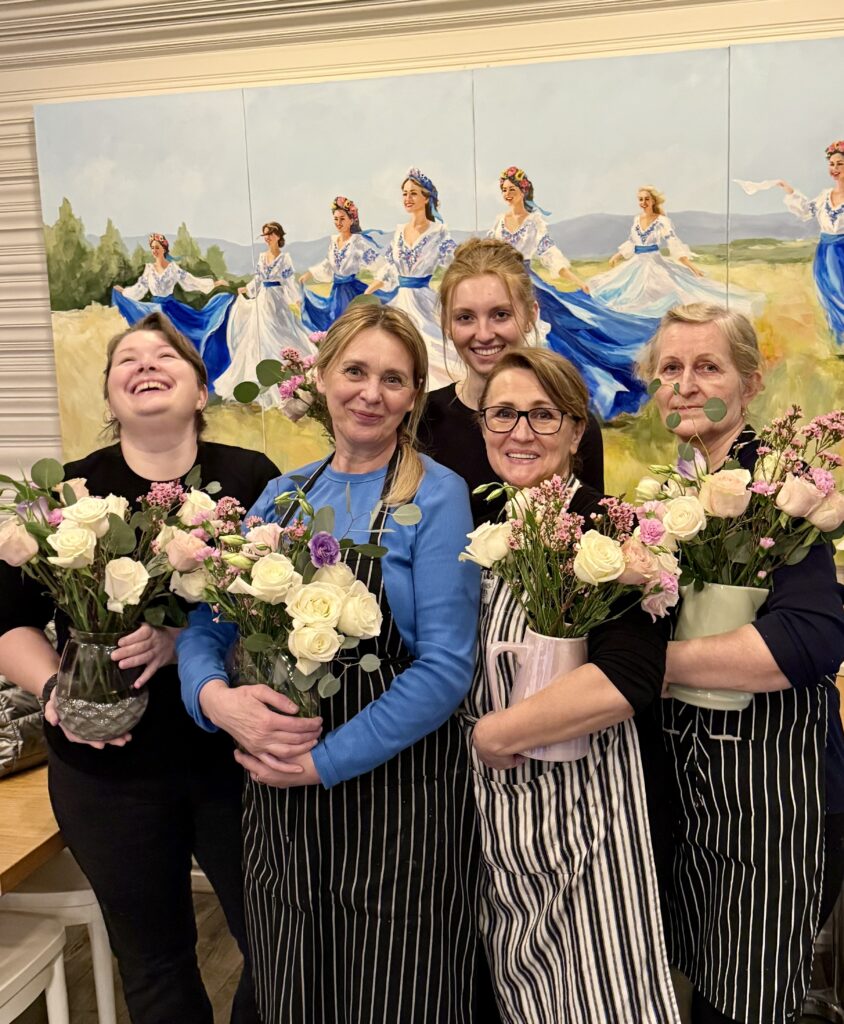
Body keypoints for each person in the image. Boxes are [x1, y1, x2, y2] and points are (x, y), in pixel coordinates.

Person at [177, 303, 482, 1023]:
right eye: (355, 371)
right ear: (321, 376)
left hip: (400, 808)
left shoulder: (435, 495)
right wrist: (215, 699)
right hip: (282, 812)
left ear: (413, 395)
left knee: (397, 996)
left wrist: (323, 762)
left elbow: (445, 668)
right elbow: (207, 624)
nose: (371, 393)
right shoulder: (283, 497)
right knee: (294, 991)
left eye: (394, 379)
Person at [0, 311, 280, 1024]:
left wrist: (184, 638)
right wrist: (56, 689)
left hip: (235, 763)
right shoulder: (69, 494)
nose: (146, 364)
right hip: (106, 770)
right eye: (128, 358)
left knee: (277, 950)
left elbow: (277, 612)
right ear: (109, 394)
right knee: (153, 964)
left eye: (165, 355)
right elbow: (8, 621)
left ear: (201, 391)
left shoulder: (251, 479)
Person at [637, 302, 844, 1024]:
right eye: (670, 369)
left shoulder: (781, 491)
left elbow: (807, 641)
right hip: (705, 806)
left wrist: (648, 667)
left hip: (777, 810)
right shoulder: (671, 495)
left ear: (750, 384)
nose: (686, 385)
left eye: (708, 367)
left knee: (744, 1007)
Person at [466, 347, 680, 1024]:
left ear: (576, 429)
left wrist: (496, 733)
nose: (520, 432)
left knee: (594, 998)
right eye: (503, 414)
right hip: (500, 818)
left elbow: (628, 677)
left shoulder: (608, 530)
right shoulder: (487, 529)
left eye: (543, 415)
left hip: (588, 817)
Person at [421, 237, 604, 526]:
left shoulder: (570, 424)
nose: (483, 334)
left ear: (531, 315)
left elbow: (590, 529)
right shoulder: (422, 420)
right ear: (446, 323)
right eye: (465, 317)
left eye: (501, 315)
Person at [488, 166, 659, 419]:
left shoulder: (534, 221)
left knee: (559, 332)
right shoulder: (499, 221)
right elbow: (490, 251)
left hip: (526, 283)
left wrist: (576, 279)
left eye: (511, 189)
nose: (507, 194)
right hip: (500, 282)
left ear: (523, 191)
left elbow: (549, 254)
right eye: (504, 190)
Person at [589, 186, 763, 319]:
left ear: (653, 201)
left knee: (661, 291)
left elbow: (673, 244)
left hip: (654, 263)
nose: (643, 203)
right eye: (640, 199)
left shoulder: (662, 221)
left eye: (647, 199)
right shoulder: (637, 219)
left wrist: (692, 267)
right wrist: (618, 255)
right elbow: (633, 241)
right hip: (637, 262)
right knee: (619, 289)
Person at [364, 168, 456, 389]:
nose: (407, 198)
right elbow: (390, 268)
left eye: (413, 193)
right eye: (405, 193)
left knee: (429, 348)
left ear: (426, 198)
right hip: (400, 300)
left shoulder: (438, 232)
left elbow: (453, 266)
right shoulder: (399, 231)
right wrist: (368, 291)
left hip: (424, 302)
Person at [214, 221, 315, 408]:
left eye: (270, 234)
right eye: (265, 235)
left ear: (278, 236)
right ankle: (260, 382)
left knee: (282, 334)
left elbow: (289, 281)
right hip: (263, 300)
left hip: (278, 300)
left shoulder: (284, 258)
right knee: (259, 337)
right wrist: (247, 288)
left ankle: (289, 379)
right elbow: (258, 279)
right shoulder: (261, 257)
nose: (267, 238)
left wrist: (295, 299)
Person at [113, 232, 233, 387]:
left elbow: (191, 282)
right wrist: (123, 292)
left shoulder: (173, 269)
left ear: (164, 248)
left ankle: (185, 378)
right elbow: (139, 289)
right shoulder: (149, 269)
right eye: (152, 248)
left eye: (157, 247)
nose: (154, 251)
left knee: (182, 342)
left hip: (172, 310)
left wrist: (215, 284)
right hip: (154, 310)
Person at [777, 139, 844, 344]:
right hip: (825, 250)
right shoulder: (825, 196)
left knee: (841, 292)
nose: (834, 169)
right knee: (827, 293)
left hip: (842, 250)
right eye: (831, 164)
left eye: (839, 164)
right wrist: (789, 191)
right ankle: (839, 341)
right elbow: (806, 210)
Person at [299, 196, 381, 332]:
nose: (338, 223)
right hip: (336, 291)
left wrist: (373, 286)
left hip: (350, 291)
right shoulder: (334, 241)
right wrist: (310, 273)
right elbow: (328, 264)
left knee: (349, 326)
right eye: (336, 219)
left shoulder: (357, 242)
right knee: (334, 323)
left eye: (342, 219)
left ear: (351, 220)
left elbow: (378, 264)